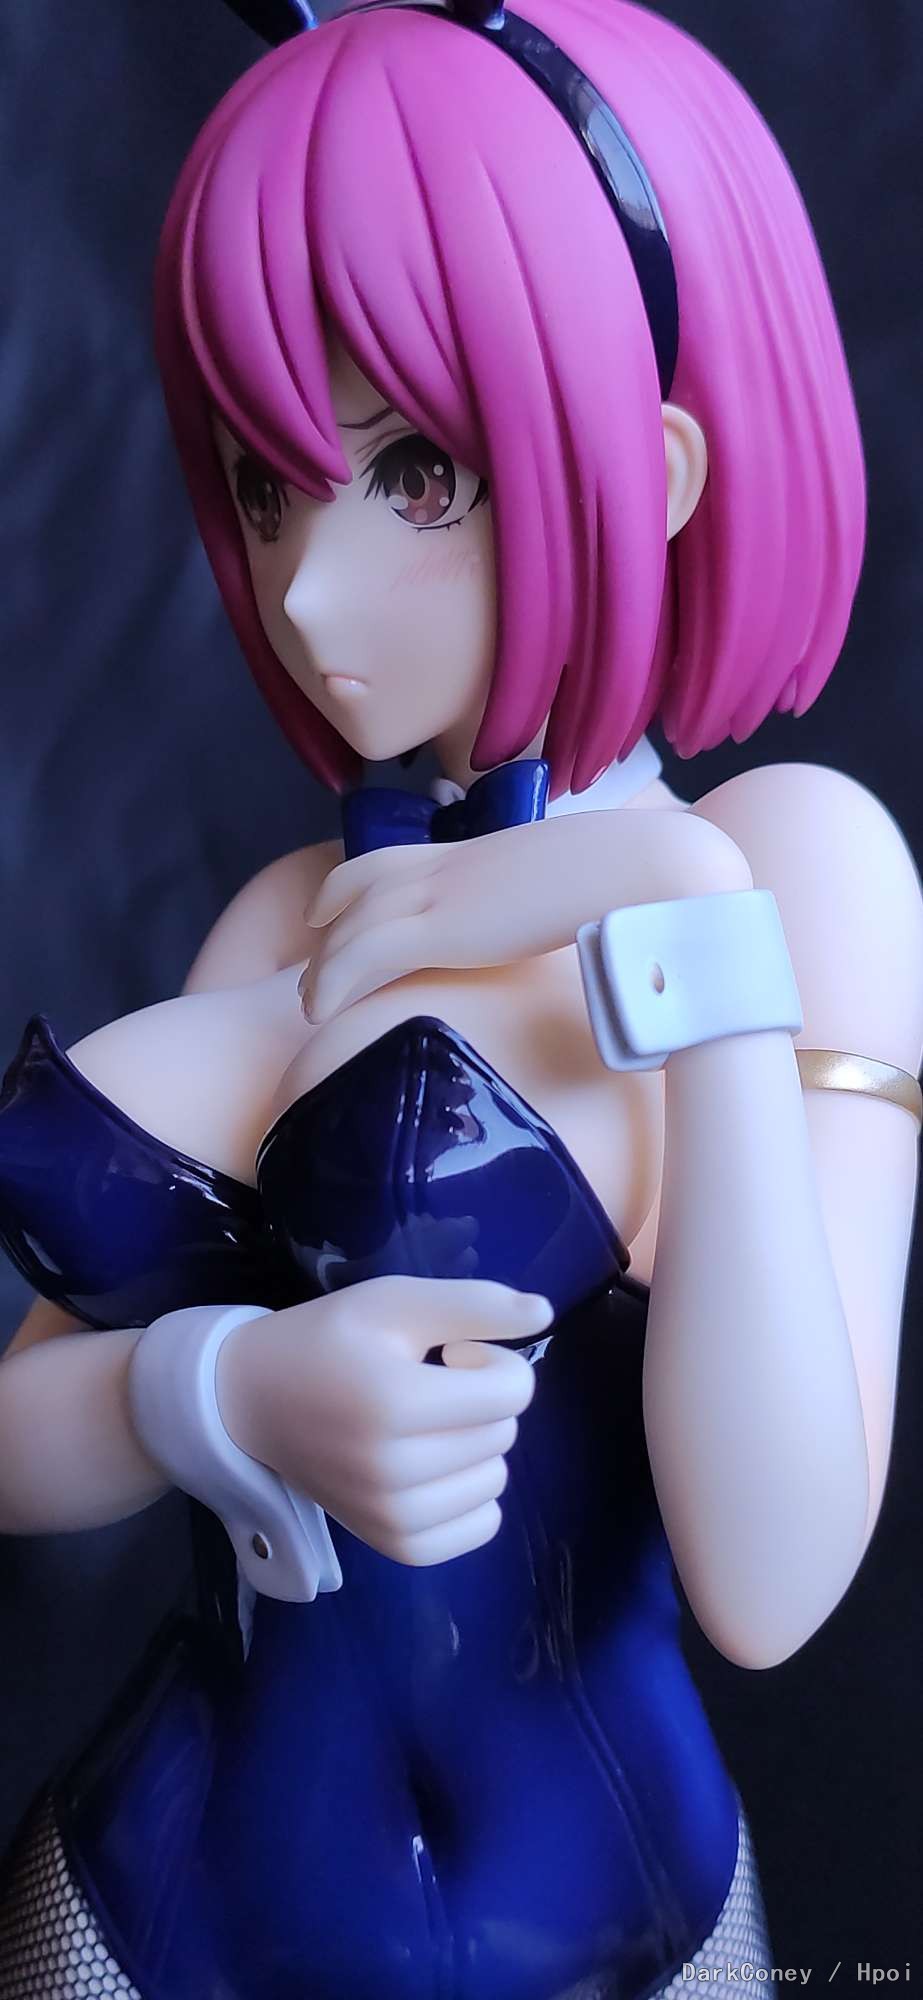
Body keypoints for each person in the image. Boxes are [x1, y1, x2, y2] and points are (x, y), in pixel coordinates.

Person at [0, 0, 921, 1993]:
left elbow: (772, 1578)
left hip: (630, 1925)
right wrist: (223, 1393)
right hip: (152, 1919)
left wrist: (682, 919)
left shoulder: (793, 864)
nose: (302, 592)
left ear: (648, 469)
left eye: (416, 471)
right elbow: (19, 1428)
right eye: (264, 487)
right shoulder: (286, 916)